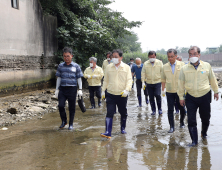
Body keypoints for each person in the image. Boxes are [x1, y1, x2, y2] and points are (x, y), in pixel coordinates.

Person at [178, 46, 219, 146]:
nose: (193, 56)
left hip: (204, 96)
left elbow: (212, 79)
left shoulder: (207, 66)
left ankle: (203, 133)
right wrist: (181, 97)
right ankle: (194, 141)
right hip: (190, 97)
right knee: (191, 120)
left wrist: (216, 91)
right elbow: (180, 84)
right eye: (190, 54)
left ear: (199, 55)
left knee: (206, 118)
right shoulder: (184, 68)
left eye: (195, 54)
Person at [100, 49, 132, 139]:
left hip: (122, 94)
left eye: (116, 57)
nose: (113, 58)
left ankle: (122, 128)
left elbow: (129, 80)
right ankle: (108, 132)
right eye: (112, 57)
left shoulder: (126, 67)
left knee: (123, 112)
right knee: (109, 113)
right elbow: (105, 80)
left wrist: (127, 90)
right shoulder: (108, 67)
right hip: (110, 94)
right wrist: (103, 90)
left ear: (121, 58)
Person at [55, 47, 83, 130]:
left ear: (72, 56)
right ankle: (64, 121)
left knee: (72, 107)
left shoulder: (76, 66)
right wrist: (57, 89)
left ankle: (71, 124)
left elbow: (79, 78)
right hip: (62, 89)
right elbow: (59, 78)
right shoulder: (60, 66)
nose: (66, 58)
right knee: (60, 106)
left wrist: (80, 89)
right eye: (64, 56)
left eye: (68, 56)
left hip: (72, 89)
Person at [161, 49, 186, 133]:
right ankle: (171, 127)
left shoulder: (182, 65)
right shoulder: (164, 66)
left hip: (180, 91)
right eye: (168, 57)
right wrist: (162, 90)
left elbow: (186, 78)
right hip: (170, 91)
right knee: (170, 109)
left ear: (176, 56)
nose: (170, 58)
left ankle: (182, 122)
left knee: (182, 109)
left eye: (172, 56)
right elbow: (163, 79)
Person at [141, 51, 163, 115]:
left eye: (153, 57)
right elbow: (143, 73)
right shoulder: (145, 63)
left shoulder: (159, 62)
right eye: (151, 57)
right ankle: (153, 110)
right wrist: (143, 82)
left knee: (157, 95)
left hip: (157, 82)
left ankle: (160, 109)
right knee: (151, 97)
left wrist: (164, 82)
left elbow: (162, 72)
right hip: (149, 82)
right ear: (148, 57)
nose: (152, 58)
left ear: (155, 56)